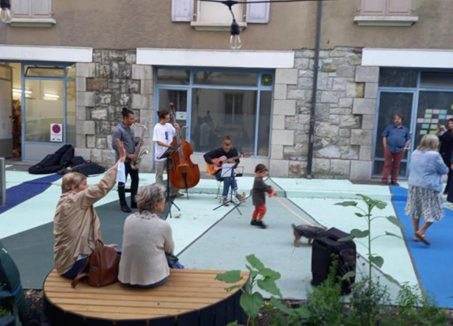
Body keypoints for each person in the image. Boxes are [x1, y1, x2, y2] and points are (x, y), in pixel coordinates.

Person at [54, 139, 126, 278]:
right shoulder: (75, 200)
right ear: (74, 188)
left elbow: (84, 236)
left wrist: (102, 249)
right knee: (126, 260)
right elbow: (102, 187)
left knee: (118, 253)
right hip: (73, 264)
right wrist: (120, 160)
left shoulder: (65, 200)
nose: (87, 187)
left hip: (66, 262)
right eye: (84, 185)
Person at [118, 184, 183, 289]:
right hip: (152, 280)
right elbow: (170, 251)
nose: (164, 200)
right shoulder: (163, 225)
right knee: (171, 258)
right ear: (156, 205)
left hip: (125, 278)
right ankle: (182, 270)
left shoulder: (129, 219)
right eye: (162, 198)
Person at [405, 135, 448, 246]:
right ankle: (422, 231)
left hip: (414, 184)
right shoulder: (434, 155)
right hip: (429, 186)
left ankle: (415, 233)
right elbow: (444, 170)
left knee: (416, 208)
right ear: (433, 143)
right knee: (435, 210)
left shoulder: (415, 152)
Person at [112, 107, 140, 213]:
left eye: (133, 118)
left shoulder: (130, 129)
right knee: (122, 182)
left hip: (132, 161)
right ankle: (123, 204)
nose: (133, 121)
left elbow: (131, 142)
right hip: (123, 160)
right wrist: (128, 155)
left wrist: (138, 143)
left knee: (135, 179)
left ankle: (133, 201)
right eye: (131, 119)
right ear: (125, 118)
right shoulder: (118, 130)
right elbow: (115, 146)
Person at [204, 135, 245, 206]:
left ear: (231, 146)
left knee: (228, 175)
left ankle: (224, 197)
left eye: (228, 148)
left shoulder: (234, 151)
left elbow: (237, 163)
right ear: (223, 145)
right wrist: (213, 161)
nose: (227, 149)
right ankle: (236, 192)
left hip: (228, 173)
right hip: (217, 172)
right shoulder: (218, 151)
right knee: (229, 174)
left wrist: (234, 163)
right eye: (225, 148)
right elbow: (205, 156)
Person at [153, 110, 183, 198]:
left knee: (172, 173)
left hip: (171, 154)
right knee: (159, 175)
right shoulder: (157, 127)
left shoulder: (169, 126)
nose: (168, 120)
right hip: (161, 155)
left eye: (169, 118)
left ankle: (173, 191)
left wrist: (178, 128)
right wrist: (169, 145)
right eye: (167, 118)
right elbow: (158, 142)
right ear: (162, 118)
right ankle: (159, 193)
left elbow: (177, 135)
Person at [382, 114, 411, 186]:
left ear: (402, 120)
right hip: (389, 148)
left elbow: (408, 139)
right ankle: (385, 179)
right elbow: (384, 136)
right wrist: (385, 146)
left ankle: (394, 180)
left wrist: (405, 148)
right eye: (395, 119)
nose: (397, 120)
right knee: (387, 164)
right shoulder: (389, 128)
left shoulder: (405, 129)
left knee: (396, 165)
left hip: (400, 149)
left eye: (398, 119)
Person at [251, 164, 276, 229]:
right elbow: (264, 187)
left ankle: (253, 220)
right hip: (258, 197)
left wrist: (270, 189)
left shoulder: (259, 178)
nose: (264, 175)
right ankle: (259, 221)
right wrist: (270, 191)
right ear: (258, 172)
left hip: (257, 196)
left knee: (257, 209)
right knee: (263, 209)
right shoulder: (258, 180)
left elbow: (264, 185)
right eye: (263, 173)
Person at [437, 119, 453, 194]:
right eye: (449, 123)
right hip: (443, 153)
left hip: (450, 155)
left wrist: (445, 130)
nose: (450, 125)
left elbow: (451, 138)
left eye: (451, 123)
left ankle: (448, 189)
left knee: (450, 173)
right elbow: (440, 139)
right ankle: (437, 185)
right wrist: (438, 132)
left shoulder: (448, 132)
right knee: (438, 170)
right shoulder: (448, 132)